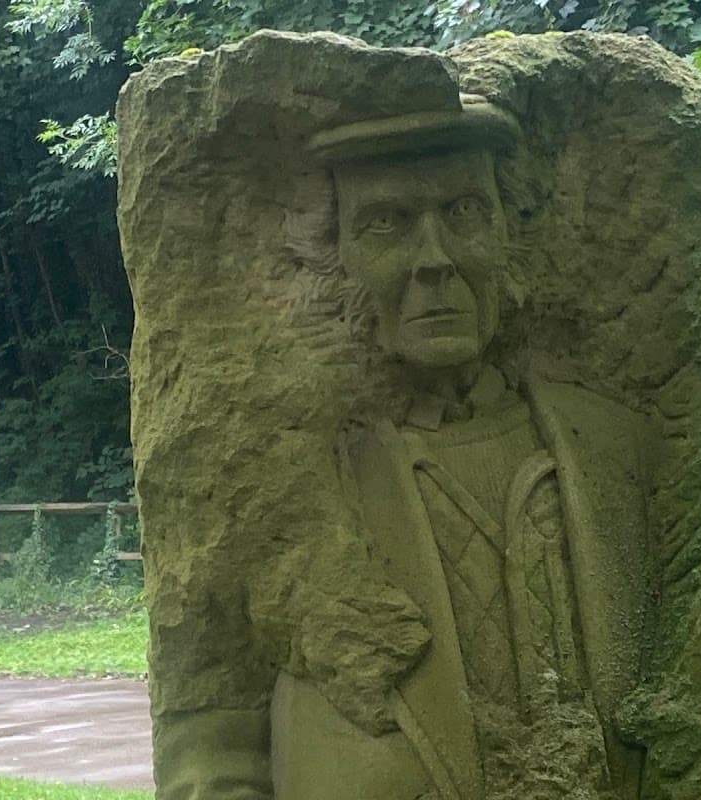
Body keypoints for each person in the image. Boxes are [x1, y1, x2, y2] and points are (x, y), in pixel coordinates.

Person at [270, 97, 657, 800]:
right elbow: (209, 733)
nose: (434, 259)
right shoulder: (300, 477)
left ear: (510, 234)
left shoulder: (614, 446)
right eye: (386, 223)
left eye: (465, 212)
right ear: (333, 259)